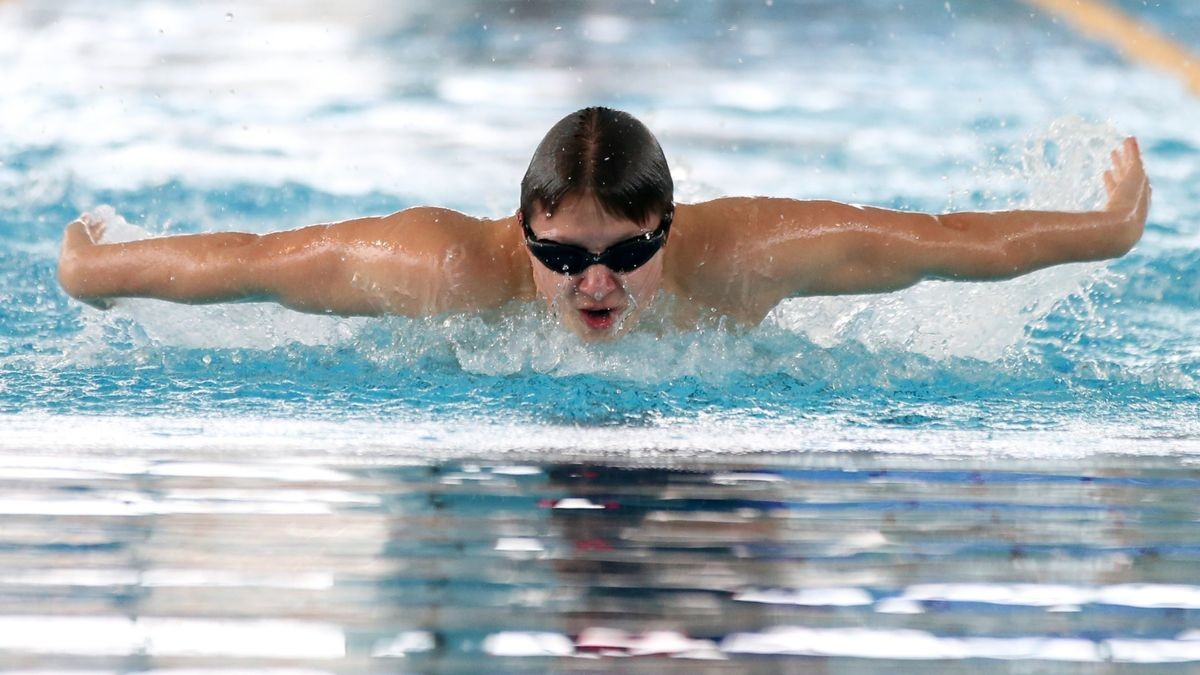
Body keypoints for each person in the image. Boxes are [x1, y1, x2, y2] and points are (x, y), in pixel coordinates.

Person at [58, 107, 1150, 341]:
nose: (599, 286)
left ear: (669, 229)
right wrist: (98, 270)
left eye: (630, 254)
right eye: (565, 258)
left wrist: (1103, 230)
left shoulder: (746, 255)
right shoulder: (441, 266)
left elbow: (945, 243)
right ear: (520, 229)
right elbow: (252, 266)